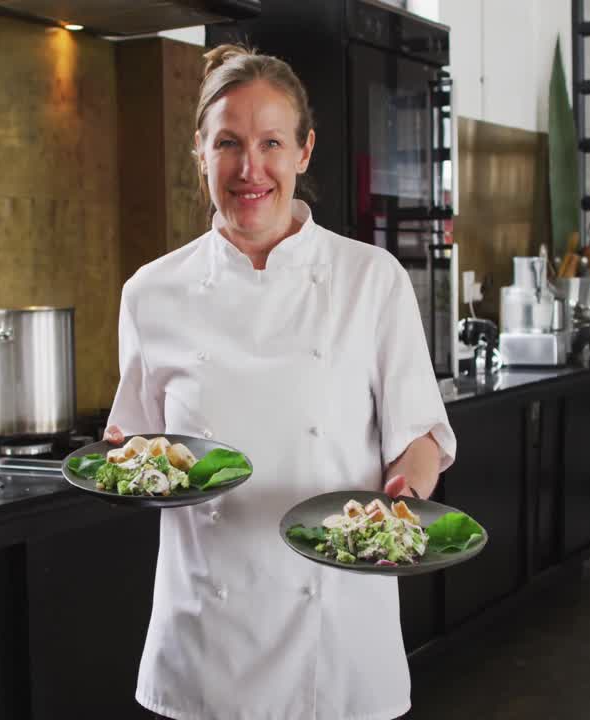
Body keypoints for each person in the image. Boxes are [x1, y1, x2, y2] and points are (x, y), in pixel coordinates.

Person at [103, 43, 456, 720]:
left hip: (340, 634)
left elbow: (418, 438)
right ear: (200, 152)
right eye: (228, 143)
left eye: (271, 142)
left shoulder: (370, 279)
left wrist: (405, 491)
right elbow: (145, 452)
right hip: (206, 638)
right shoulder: (151, 293)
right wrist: (127, 464)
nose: (250, 168)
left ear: (304, 150)